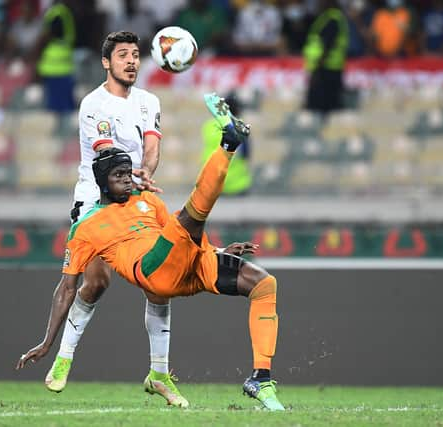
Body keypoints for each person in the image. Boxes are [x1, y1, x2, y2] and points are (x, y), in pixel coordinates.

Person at [17, 94, 285, 411]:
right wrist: (48, 342)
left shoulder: (147, 200)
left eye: (128, 174)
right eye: (119, 176)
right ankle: (227, 145)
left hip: (187, 264)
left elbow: (179, 239)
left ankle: (260, 378)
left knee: (263, 283)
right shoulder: (86, 228)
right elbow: (68, 287)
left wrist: (218, 250)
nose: (127, 181)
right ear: (102, 182)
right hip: (153, 270)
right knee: (192, 214)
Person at [37, 31, 188, 408]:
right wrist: (134, 176)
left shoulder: (149, 101)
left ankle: (159, 374)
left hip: (136, 195)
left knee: (159, 282)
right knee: (97, 282)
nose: (132, 61)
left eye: (136, 55)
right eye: (123, 55)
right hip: (98, 198)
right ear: (107, 62)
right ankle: (63, 357)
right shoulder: (93, 104)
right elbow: (106, 155)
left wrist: (146, 173)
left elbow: (151, 146)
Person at [33, 0, 77, 137]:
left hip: (54, 69)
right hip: (63, 68)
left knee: (58, 110)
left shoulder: (56, 13)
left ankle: (60, 139)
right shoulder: (65, 13)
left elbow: (49, 35)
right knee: (63, 109)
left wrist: (35, 51)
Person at [303, 0, 349, 116]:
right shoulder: (329, 17)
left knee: (321, 108)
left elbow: (328, 45)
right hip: (328, 68)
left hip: (326, 70)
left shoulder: (332, 19)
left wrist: (317, 69)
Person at [201, 93, 251, 195]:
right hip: (237, 184)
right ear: (237, 110)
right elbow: (246, 154)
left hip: (213, 184)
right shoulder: (240, 127)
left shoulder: (208, 125)